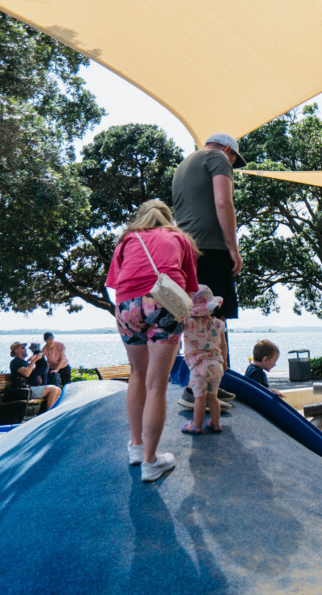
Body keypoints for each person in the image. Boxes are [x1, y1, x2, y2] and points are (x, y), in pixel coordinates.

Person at [106, 199, 199, 483]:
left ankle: (136, 448)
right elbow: (190, 288)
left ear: (142, 217)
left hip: (127, 306)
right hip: (164, 304)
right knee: (157, 384)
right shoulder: (180, 239)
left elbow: (114, 283)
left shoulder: (126, 239)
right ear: (168, 219)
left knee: (137, 374)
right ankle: (151, 462)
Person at [172, 132, 246, 408]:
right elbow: (223, 202)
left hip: (184, 251)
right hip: (211, 249)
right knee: (215, 318)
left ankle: (211, 385)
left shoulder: (183, 165)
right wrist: (233, 247)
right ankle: (197, 390)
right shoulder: (217, 157)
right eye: (234, 160)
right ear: (229, 150)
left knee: (196, 316)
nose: (232, 165)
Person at [181, 286, 228, 435]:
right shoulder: (219, 324)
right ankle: (215, 423)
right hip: (216, 365)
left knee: (199, 398)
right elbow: (223, 344)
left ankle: (196, 425)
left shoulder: (188, 323)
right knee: (213, 397)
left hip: (198, 367)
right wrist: (224, 361)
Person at [8, 342, 61, 409]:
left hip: (30, 388)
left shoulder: (24, 362)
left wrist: (39, 377)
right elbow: (26, 373)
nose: (25, 349)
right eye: (23, 348)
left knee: (58, 389)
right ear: (16, 350)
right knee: (53, 389)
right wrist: (34, 360)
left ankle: (49, 411)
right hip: (24, 390)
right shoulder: (16, 362)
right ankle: (49, 414)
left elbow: (31, 372)